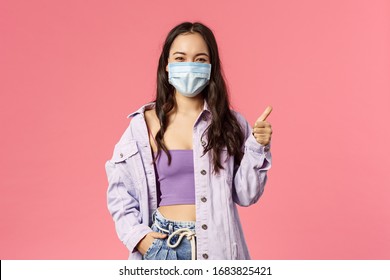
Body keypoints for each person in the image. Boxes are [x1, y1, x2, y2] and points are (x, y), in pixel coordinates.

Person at [105, 21, 273, 260]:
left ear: (211, 67)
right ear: (166, 65)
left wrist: (258, 147)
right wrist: (138, 238)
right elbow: (120, 189)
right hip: (163, 246)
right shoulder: (144, 124)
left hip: (219, 248)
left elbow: (246, 195)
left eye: (200, 59)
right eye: (180, 58)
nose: (190, 66)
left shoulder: (231, 123)